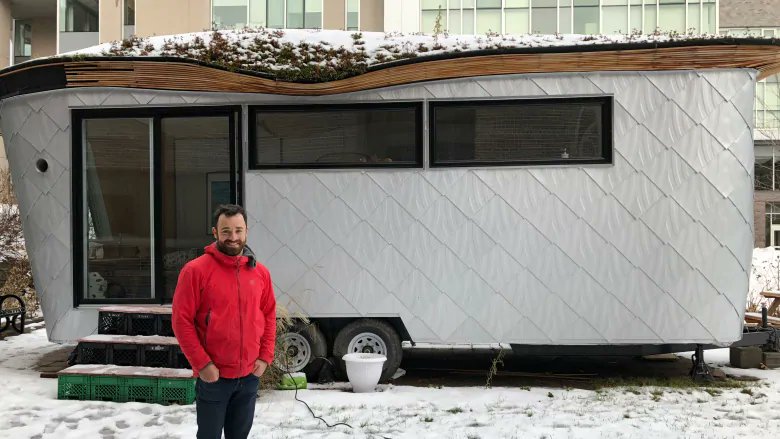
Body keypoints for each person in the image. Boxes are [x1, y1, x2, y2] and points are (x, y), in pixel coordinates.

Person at [172, 204, 276, 439]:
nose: (233, 237)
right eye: (226, 231)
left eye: (238, 230)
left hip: (249, 375)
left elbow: (269, 314)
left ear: (246, 231)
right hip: (215, 377)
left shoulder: (260, 273)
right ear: (215, 232)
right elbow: (182, 321)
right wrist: (203, 365)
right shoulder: (195, 271)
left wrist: (265, 356)